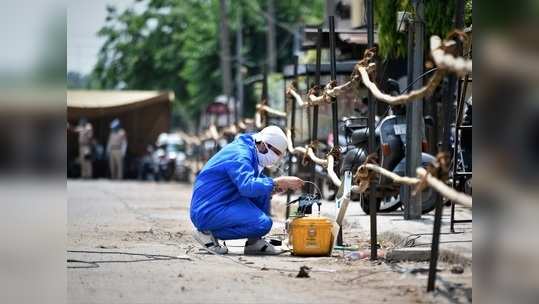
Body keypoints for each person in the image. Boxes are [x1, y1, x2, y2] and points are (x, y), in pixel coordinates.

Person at [190, 125, 304, 255]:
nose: (277, 158)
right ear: (263, 144)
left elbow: (251, 184)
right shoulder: (240, 155)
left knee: (264, 191)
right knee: (263, 224)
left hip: (223, 200)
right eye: (277, 153)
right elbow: (247, 186)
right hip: (208, 208)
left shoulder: (250, 151)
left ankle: (254, 242)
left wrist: (272, 187)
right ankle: (205, 232)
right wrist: (276, 182)